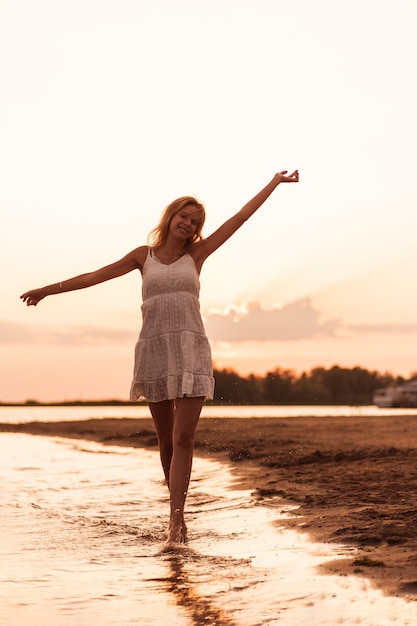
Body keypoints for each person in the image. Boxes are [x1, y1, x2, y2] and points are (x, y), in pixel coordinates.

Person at [20, 170, 299, 546]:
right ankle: (175, 511)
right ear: (170, 217)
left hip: (190, 349)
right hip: (153, 350)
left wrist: (274, 183)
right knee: (166, 442)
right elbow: (95, 276)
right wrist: (48, 290)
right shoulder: (143, 256)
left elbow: (240, 218)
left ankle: (177, 522)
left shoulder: (196, 255)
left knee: (184, 436)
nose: (188, 223)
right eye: (183, 216)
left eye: (195, 221)